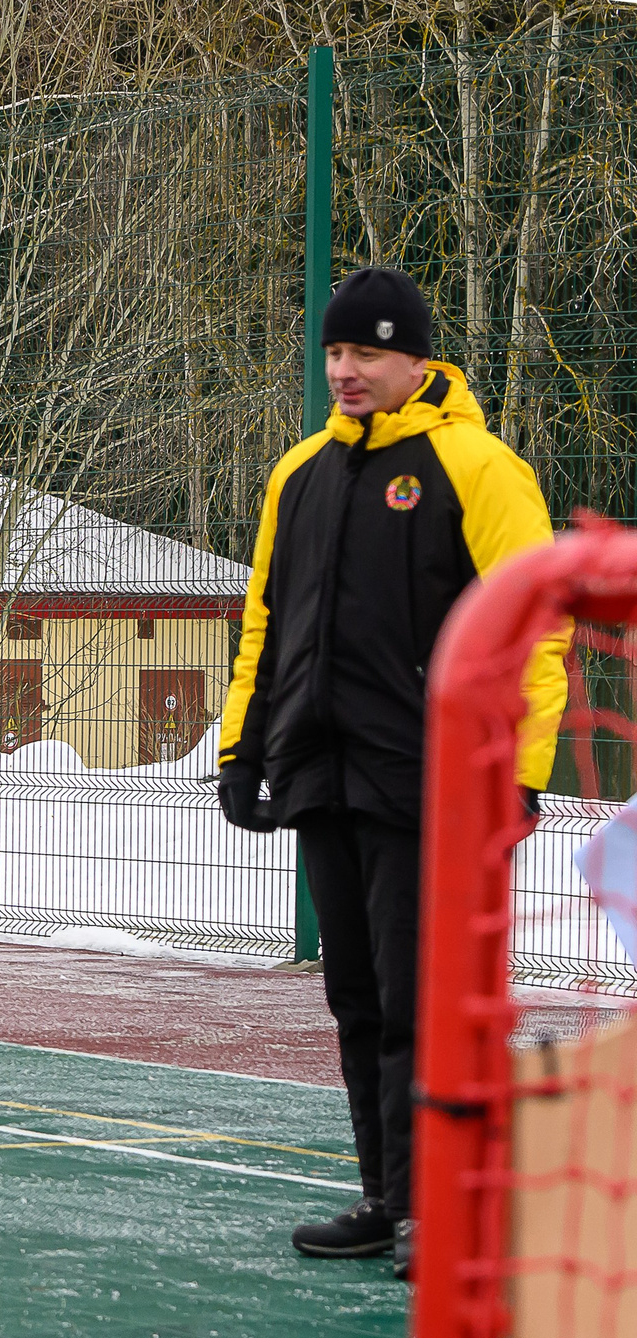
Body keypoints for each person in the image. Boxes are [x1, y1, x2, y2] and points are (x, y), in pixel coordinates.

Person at [217, 266, 567, 1281]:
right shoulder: (300, 474)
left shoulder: (478, 467)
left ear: (416, 360)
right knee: (358, 998)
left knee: (426, 1003)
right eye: (335, 351)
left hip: (436, 785)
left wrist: (518, 774)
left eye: (366, 352)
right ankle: (387, 1198)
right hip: (323, 771)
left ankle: (443, 1209)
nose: (345, 370)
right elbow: (266, 621)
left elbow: (535, 629)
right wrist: (243, 746)